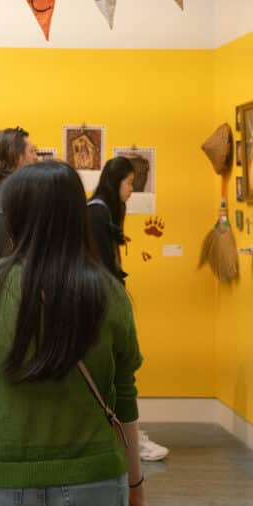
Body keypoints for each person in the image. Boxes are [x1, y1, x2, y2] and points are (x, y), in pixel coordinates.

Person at [0, 161, 149, 506]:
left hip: (7, 478)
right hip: (95, 480)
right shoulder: (111, 292)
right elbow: (124, 400)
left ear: (14, 217)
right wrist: (136, 488)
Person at [88, 157, 169, 463]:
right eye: (129, 183)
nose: (132, 191)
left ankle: (126, 432)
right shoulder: (97, 211)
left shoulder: (106, 210)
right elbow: (101, 264)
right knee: (117, 371)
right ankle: (126, 436)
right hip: (101, 300)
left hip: (106, 296)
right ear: (115, 181)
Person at [0, 127, 38, 261]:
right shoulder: (4, 205)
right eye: (32, 151)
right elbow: (17, 264)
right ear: (17, 157)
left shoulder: (12, 198)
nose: (36, 158)